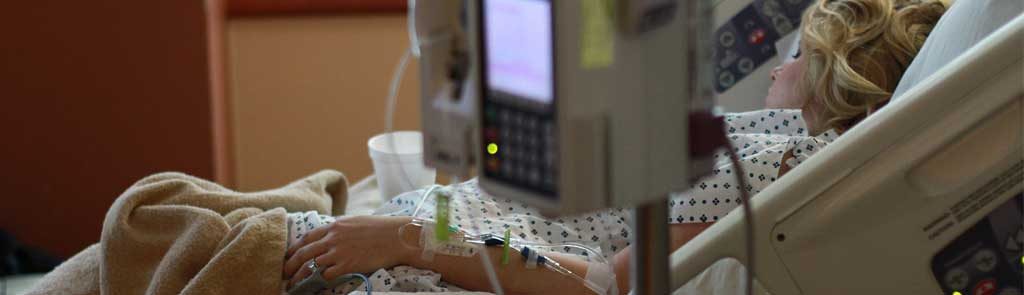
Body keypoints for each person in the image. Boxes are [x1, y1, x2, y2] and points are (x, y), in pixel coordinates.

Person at [282, 0, 948, 293]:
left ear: (835, 78)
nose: (775, 70)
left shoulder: (772, 163)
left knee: (191, 223)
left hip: (434, 252)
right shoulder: (755, 147)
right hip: (456, 226)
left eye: (796, 56)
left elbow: (604, 284)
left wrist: (409, 238)